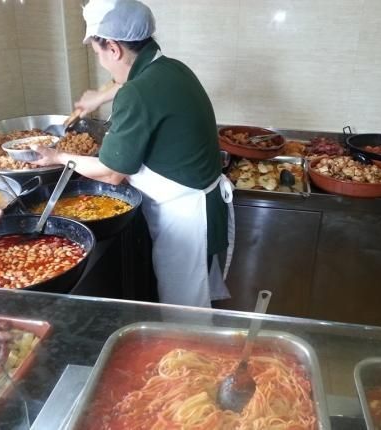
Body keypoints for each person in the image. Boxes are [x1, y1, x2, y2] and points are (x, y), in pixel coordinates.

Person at [31, 0, 234, 308]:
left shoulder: (138, 93)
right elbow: (134, 80)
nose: (101, 61)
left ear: (113, 48)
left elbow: (112, 171)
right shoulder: (172, 69)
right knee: (195, 299)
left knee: (184, 312)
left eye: (98, 53)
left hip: (185, 218)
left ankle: (191, 356)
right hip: (202, 204)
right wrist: (101, 96)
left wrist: (56, 157)